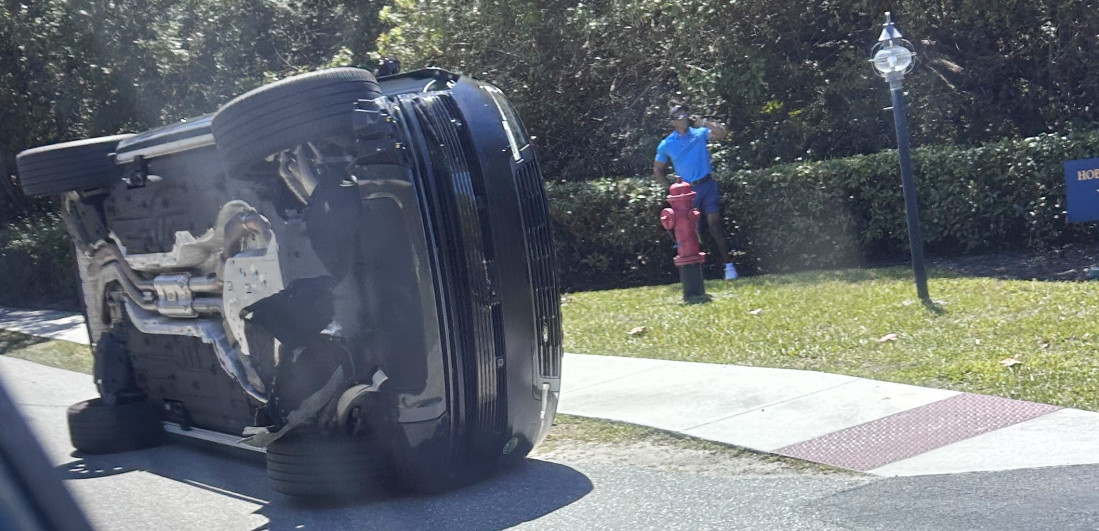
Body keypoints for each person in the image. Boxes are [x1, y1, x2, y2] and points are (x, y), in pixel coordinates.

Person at [653, 104, 738, 280]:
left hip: (707, 184)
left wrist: (705, 122)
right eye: (678, 116)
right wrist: (671, 190)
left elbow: (722, 133)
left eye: (684, 114)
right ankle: (698, 272)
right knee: (692, 232)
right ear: (672, 122)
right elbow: (657, 170)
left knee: (714, 224)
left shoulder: (699, 134)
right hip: (686, 193)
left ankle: (729, 266)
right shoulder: (666, 144)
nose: (683, 118)